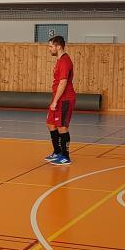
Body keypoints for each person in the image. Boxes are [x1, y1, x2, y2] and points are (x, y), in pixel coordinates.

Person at [45, 35, 75, 165]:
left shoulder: (65, 62)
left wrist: (55, 101)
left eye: (51, 46)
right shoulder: (59, 60)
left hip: (65, 98)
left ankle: (65, 156)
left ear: (58, 47)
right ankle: (57, 152)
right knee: (50, 124)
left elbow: (63, 83)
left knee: (62, 127)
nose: (49, 49)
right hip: (57, 97)